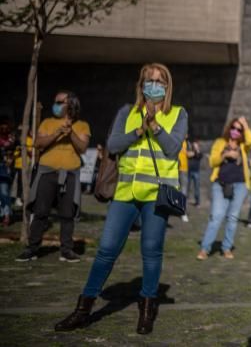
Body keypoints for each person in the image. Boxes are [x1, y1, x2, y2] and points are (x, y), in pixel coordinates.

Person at [53, 63, 187, 334]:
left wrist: (156, 127)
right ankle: (83, 308)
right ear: (141, 85)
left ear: (168, 86)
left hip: (156, 196)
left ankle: (147, 309)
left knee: (151, 253)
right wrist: (139, 130)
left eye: (161, 81)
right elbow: (113, 145)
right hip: (125, 193)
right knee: (106, 250)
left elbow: (173, 149)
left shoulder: (178, 114)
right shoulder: (127, 112)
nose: (155, 85)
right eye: (150, 80)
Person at [16, 91, 90, 263]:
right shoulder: (47, 122)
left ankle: (66, 250)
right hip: (46, 173)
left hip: (69, 175)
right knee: (40, 212)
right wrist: (57, 132)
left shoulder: (82, 125)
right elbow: (38, 144)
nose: (55, 104)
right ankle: (31, 249)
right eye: (55, 101)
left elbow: (83, 148)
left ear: (70, 104)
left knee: (67, 214)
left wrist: (70, 132)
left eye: (59, 102)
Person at [197, 116, 251, 260]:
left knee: (233, 218)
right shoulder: (220, 142)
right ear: (229, 129)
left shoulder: (243, 146)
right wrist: (225, 155)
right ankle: (205, 248)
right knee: (216, 216)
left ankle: (227, 248)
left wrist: (245, 125)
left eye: (239, 130)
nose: (235, 131)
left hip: (240, 185)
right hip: (220, 184)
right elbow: (212, 162)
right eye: (233, 128)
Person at [0, 117, 13, 226]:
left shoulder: (11, 138)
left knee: (4, 192)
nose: (3, 128)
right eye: (2, 126)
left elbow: (12, 150)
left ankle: (7, 216)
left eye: (5, 126)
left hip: (4, 169)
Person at [186, 137, 202, 206]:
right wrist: (193, 153)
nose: (194, 146)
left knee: (197, 188)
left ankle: (197, 202)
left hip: (196, 172)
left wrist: (196, 150)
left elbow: (198, 155)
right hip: (188, 171)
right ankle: (185, 200)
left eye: (196, 144)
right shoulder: (189, 150)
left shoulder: (199, 152)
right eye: (194, 144)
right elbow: (188, 154)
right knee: (187, 187)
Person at [178, 137, 190, 222]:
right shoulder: (175, 139)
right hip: (174, 168)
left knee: (184, 191)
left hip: (184, 169)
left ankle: (183, 212)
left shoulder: (187, 143)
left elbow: (188, 154)